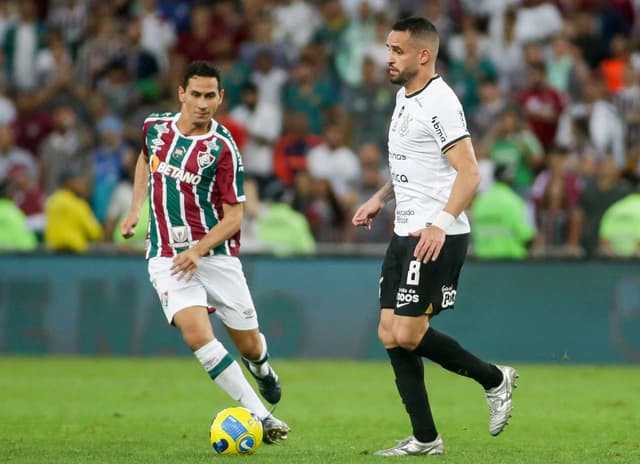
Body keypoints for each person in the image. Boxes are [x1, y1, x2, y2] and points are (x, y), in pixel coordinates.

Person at [351, 17, 517, 456]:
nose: (388, 58)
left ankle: (495, 379)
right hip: (405, 229)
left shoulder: (440, 102)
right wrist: (379, 198)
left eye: (397, 51)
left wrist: (440, 224)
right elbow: (416, 167)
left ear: (423, 55)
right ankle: (426, 438)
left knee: (407, 333)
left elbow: (470, 172)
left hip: (436, 234)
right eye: (388, 49)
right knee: (390, 333)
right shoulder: (406, 97)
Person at [120, 61, 289, 443]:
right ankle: (261, 416)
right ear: (181, 93)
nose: (202, 103)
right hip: (166, 255)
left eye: (210, 95)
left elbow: (235, 217)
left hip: (215, 257)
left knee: (248, 343)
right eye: (195, 94)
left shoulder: (223, 148)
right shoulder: (154, 128)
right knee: (197, 335)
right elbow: (145, 160)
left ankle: (262, 369)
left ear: (220, 97)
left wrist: (198, 249)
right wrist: (135, 208)